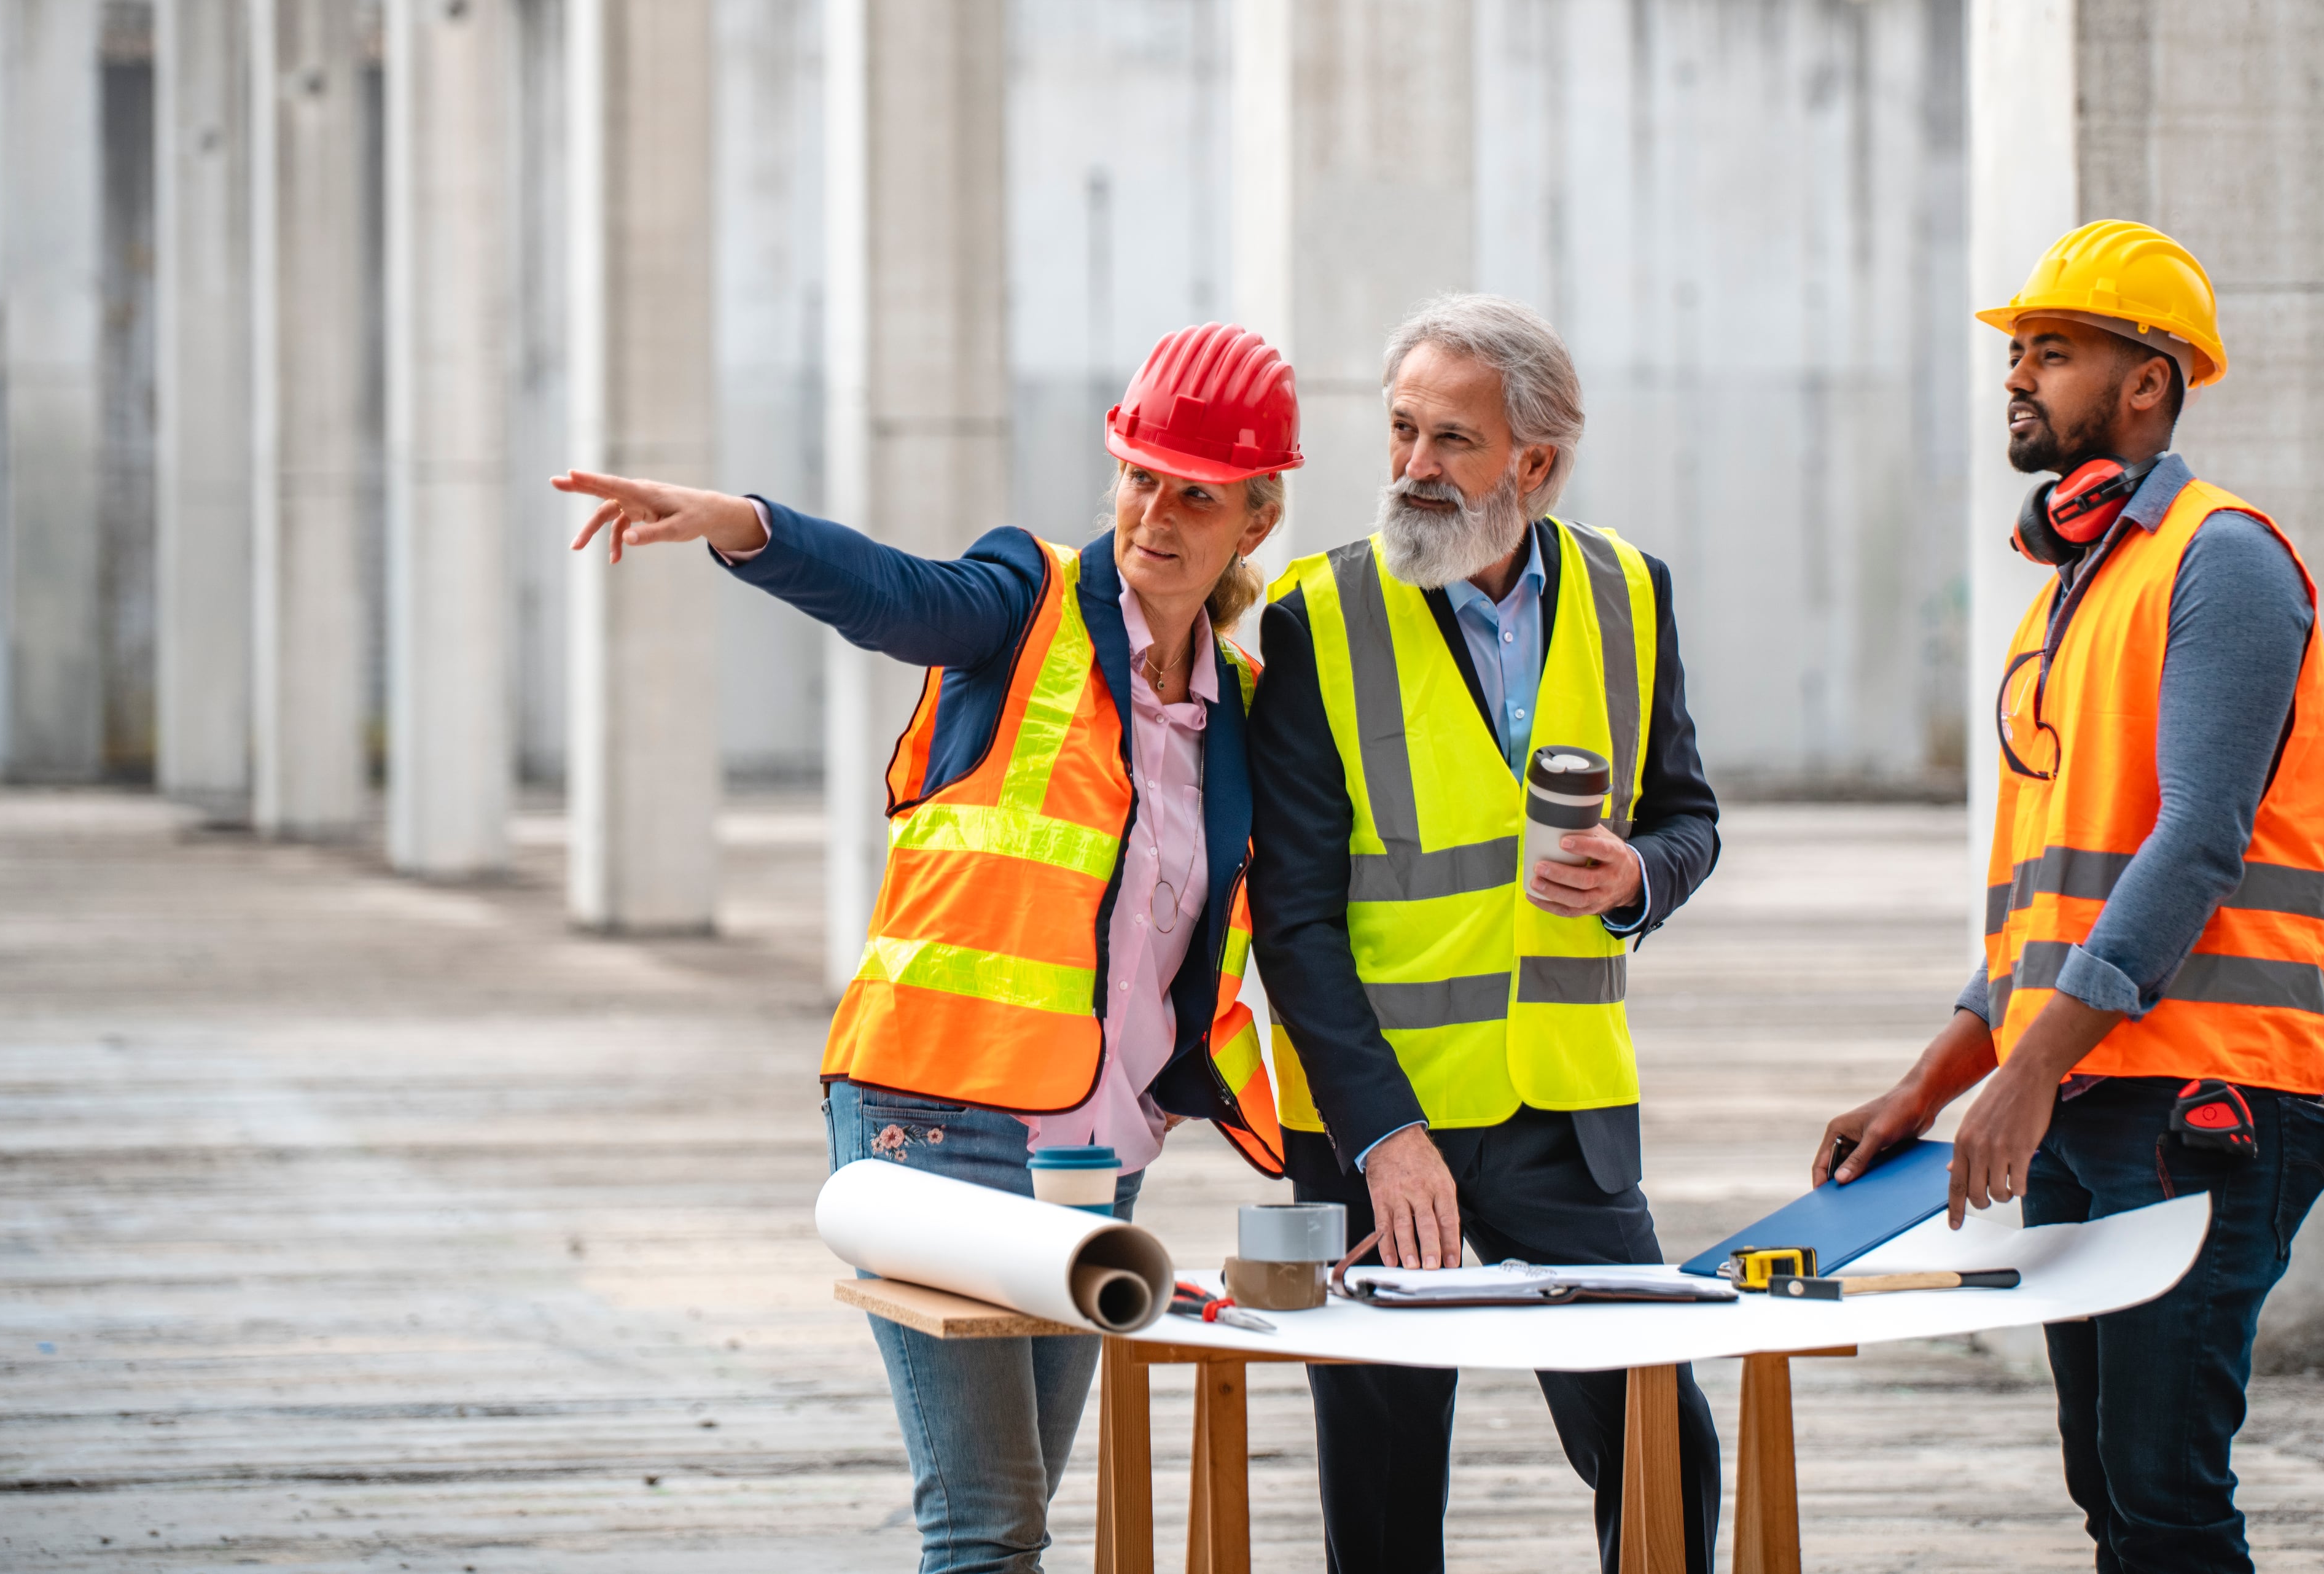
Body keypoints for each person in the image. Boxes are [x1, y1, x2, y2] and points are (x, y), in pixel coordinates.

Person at [552, 322, 1300, 1574]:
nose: (1155, 514)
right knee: (985, 1525)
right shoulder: (1027, 602)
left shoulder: (1241, 706)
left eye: (1196, 494)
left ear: (1256, 518)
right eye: (1140, 476)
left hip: (1093, 1151)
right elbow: (901, 595)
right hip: (930, 1120)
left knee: (1022, 1517)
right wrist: (749, 526)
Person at [1814, 220, 2324, 1574]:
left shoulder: (2222, 560)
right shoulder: (2071, 591)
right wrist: (1928, 1084)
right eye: (2016, 351)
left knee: (2166, 1499)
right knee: (2109, 1488)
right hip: (2089, 1096)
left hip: (2202, 1101)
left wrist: (2031, 1069)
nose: (2016, 376)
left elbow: (2198, 843)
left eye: (2051, 352)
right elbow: (2040, 909)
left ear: (2148, 382)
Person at [1247, 293, 1725, 1574]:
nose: (1414, 464)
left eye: (1452, 438)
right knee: (1386, 1487)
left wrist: (1637, 874)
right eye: (1402, 427)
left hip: (1563, 1115)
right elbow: (1292, 920)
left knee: (1661, 1442)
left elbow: (1687, 817)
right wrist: (1382, 1136)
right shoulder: (1315, 616)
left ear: (1536, 462)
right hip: (1377, 1124)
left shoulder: (1630, 594)